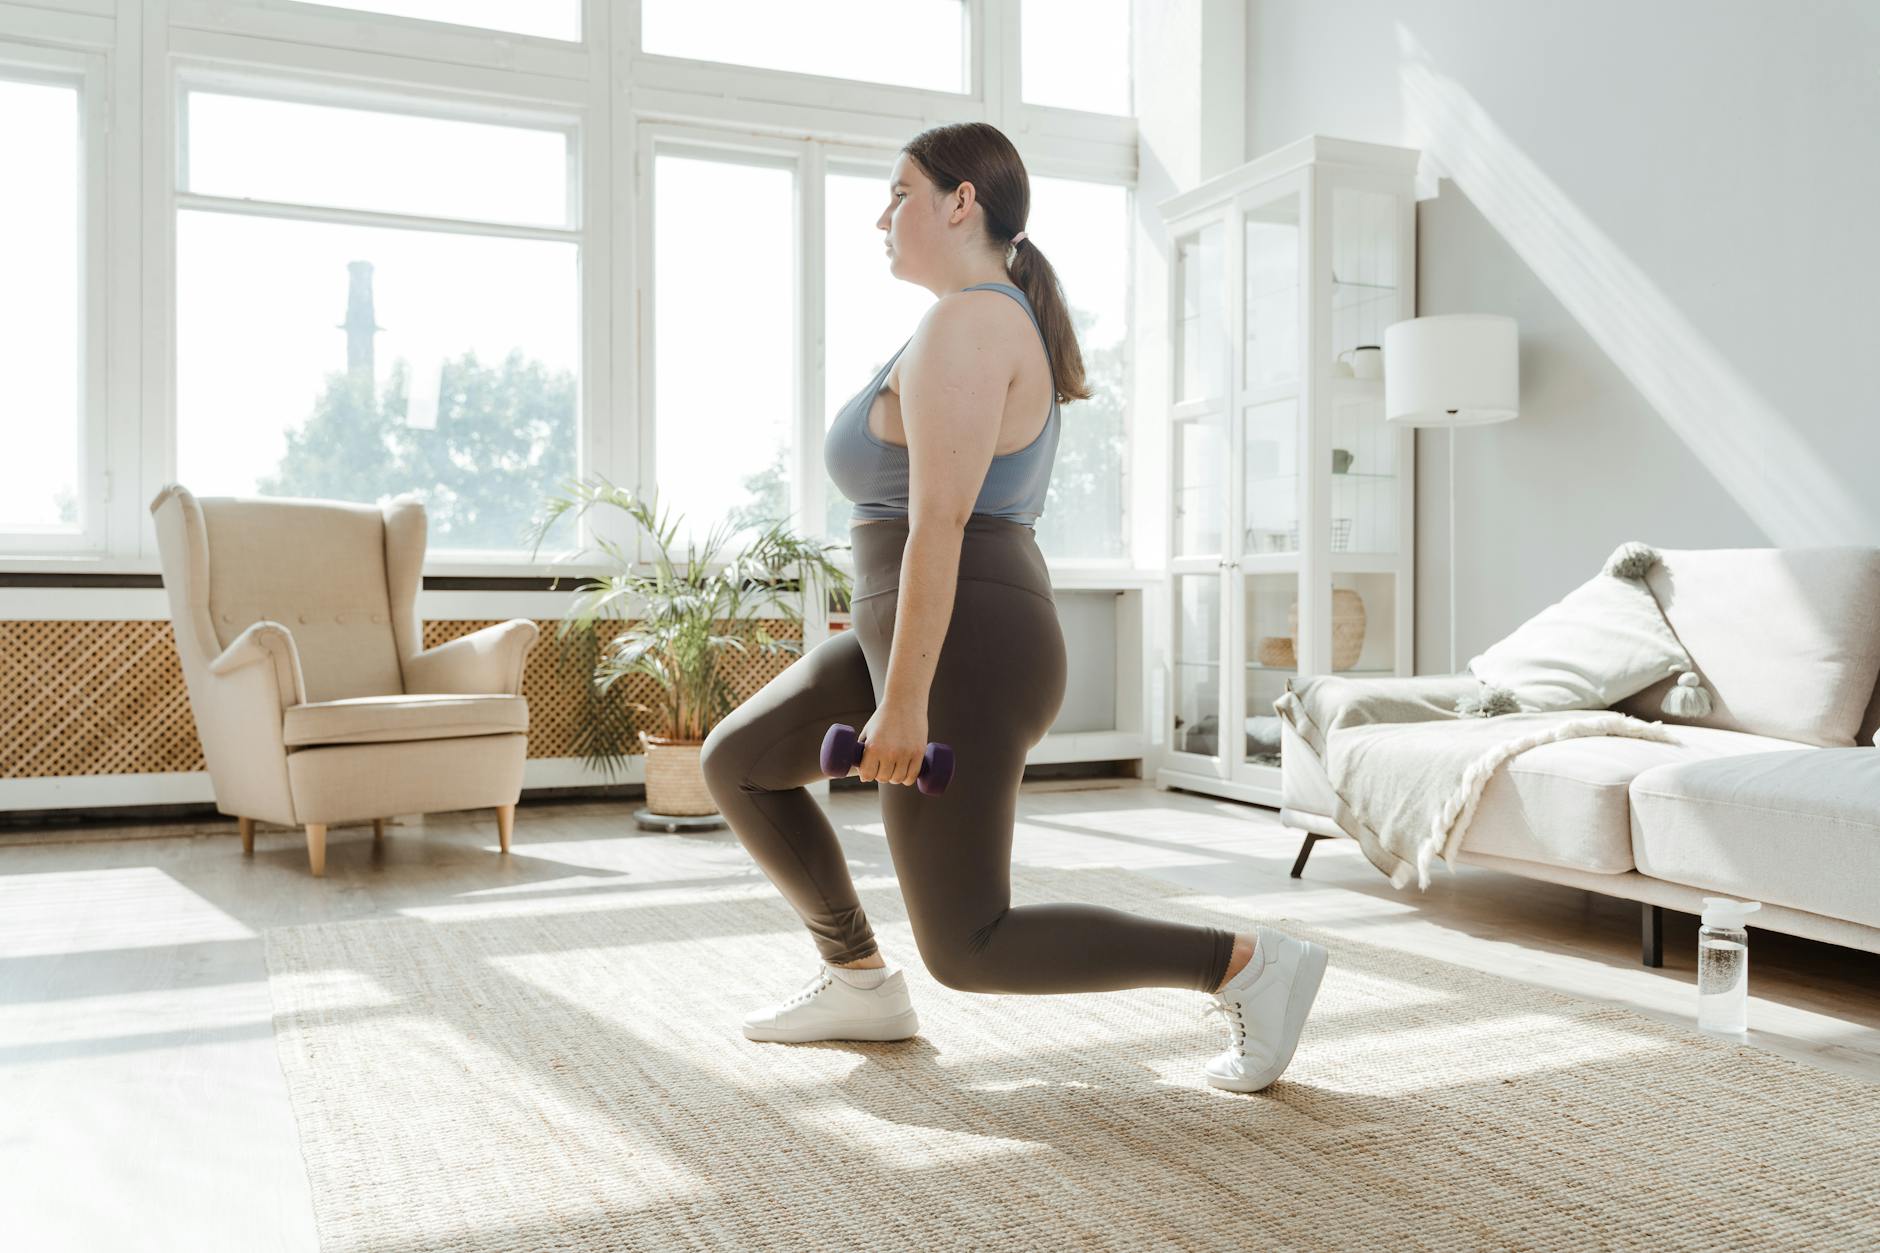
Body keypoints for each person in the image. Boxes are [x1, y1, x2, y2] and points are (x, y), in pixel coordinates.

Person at [699, 121, 1327, 1093]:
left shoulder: (972, 321)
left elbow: (939, 524)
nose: (880, 214)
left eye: (898, 191)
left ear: (960, 202)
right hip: (918, 629)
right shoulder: (959, 318)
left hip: (967, 643)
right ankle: (857, 978)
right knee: (739, 759)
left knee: (969, 942)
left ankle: (1245, 963)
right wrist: (877, 655)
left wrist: (903, 704)